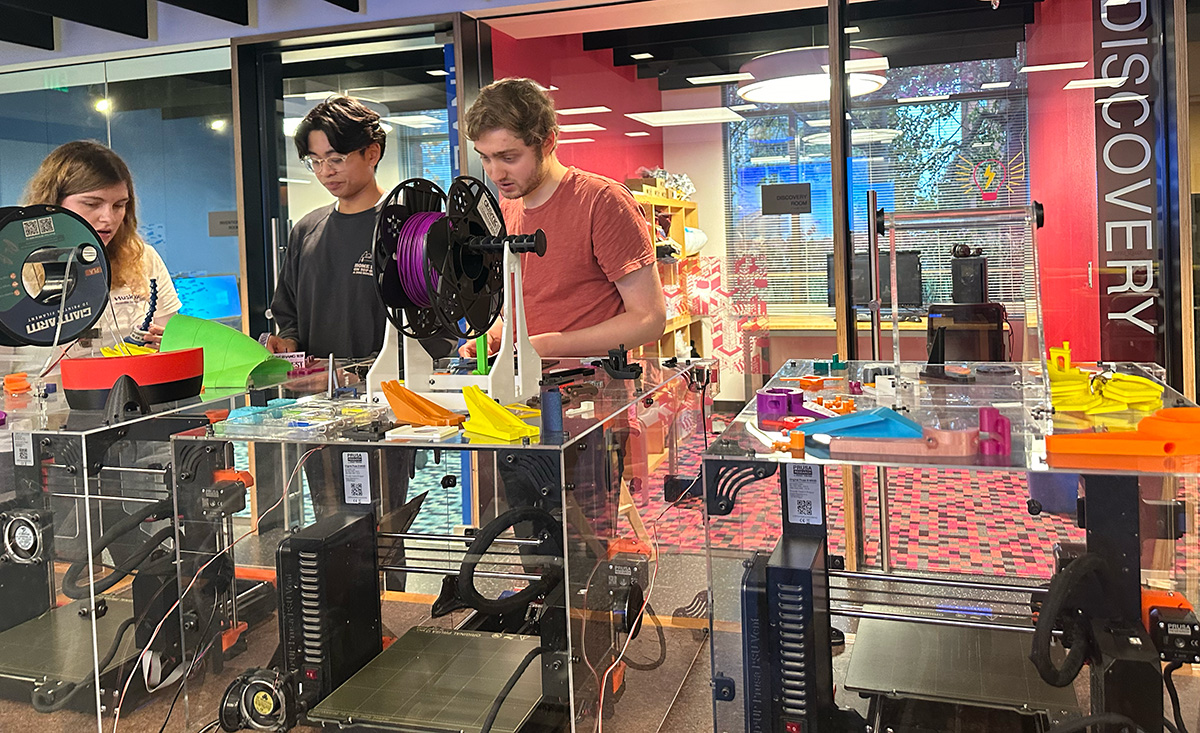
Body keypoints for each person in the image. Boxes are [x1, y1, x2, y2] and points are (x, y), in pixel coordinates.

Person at [462, 77, 667, 359]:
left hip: (592, 394)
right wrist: (495, 334)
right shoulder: (507, 207)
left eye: (508, 158)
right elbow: (518, 304)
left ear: (547, 142)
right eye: (485, 158)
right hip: (520, 389)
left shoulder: (603, 201)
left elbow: (648, 320)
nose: (495, 174)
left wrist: (545, 347)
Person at [266, 96, 453, 362]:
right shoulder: (306, 230)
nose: (325, 172)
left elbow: (437, 334)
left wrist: (357, 373)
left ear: (372, 153)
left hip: (392, 395)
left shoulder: (411, 230)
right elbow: (289, 314)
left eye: (336, 159)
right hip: (318, 399)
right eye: (315, 162)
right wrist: (287, 342)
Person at [22, 140, 181, 351]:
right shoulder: (13, 267)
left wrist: (169, 343)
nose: (108, 218)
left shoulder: (142, 257)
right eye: (91, 204)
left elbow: (172, 339)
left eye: (119, 206)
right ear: (53, 202)